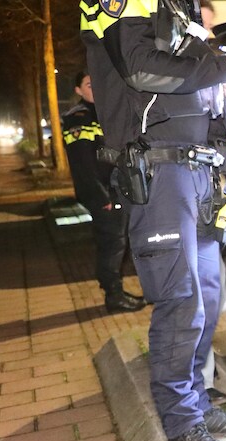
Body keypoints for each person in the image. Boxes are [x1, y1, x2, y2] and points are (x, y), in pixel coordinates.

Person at [81, 0, 226, 441]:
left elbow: (192, 91)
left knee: (205, 296)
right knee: (181, 303)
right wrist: (223, 65)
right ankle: (182, 431)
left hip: (199, 172)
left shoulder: (178, 11)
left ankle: (198, 407)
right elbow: (143, 71)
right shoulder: (126, 3)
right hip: (161, 173)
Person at [62, 73, 146, 314]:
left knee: (116, 242)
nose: (95, 88)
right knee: (113, 243)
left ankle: (115, 291)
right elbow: (82, 164)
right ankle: (114, 296)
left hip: (115, 189)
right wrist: (100, 198)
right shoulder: (80, 117)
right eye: (89, 84)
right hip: (103, 193)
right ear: (78, 90)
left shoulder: (102, 112)